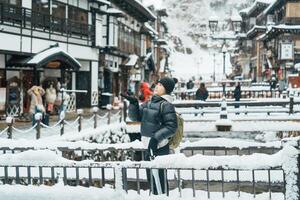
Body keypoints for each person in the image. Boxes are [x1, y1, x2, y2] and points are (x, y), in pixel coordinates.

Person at [123, 77, 178, 195]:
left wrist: (155, 138)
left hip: (160, 146)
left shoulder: (166, 105)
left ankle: (162, 197)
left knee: (159, 178)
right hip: (148, 144)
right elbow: (136, 117)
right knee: (151, 178)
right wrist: (133, 103)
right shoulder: (150, 102)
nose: (157, 86)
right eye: (157, 84)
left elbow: (172, 127)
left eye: (161, 85)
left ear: (167, 89)